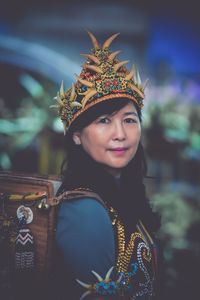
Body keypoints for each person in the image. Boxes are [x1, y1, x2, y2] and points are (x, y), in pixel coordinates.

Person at [51, 30, 161, 300]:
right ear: (76, 135)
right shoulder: (84, 209)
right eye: (103, 120)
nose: (120, 134)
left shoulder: (123, 193)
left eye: (129, 119)